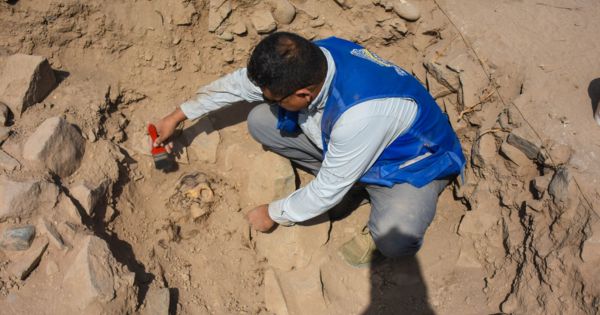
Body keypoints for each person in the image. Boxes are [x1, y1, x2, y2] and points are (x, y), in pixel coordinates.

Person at [153, 32, 465, 267]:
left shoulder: (360, 115)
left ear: (303, 94)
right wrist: (179, 115)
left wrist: (273, 213)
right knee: (261, 120)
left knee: (395, 239)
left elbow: (327, 189)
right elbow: (239, 85)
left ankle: (368, 203)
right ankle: (351, 188)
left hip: (408, 165)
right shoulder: (310, 59)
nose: (271, 101)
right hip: (346, 143)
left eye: (277, 98)